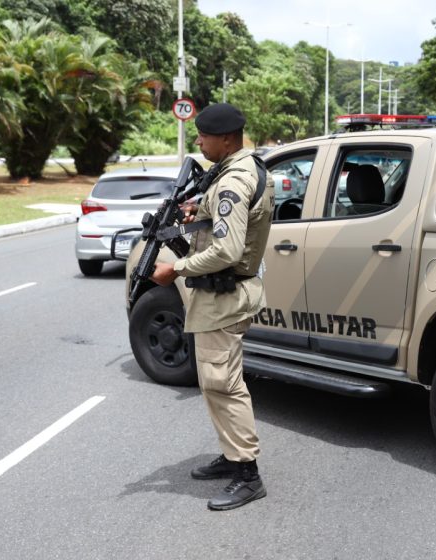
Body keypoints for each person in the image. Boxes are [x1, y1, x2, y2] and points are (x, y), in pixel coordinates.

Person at [150, 103, 275, 511]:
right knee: (215, 381)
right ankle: (231, 454)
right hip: (224, 294)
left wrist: (177, 268)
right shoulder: (243, 169)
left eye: (203, 136)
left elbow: (227, 248)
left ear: (226, 139)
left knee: (223, 383)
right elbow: (224, 222)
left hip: (225, 297)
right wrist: (195, 212)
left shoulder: (231, 182)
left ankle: (247, 474)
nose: (198, 141)